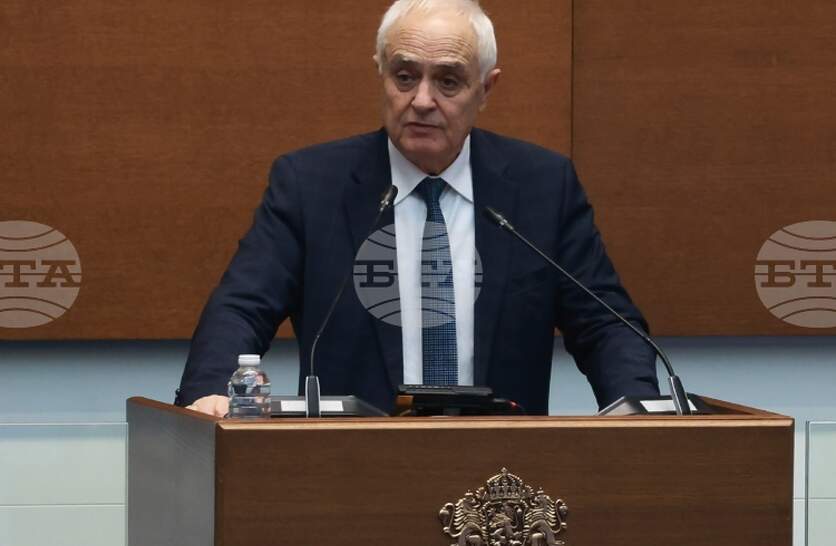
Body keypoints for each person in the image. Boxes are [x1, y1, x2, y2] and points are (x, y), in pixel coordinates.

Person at [176, 0, 660, 416]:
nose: (422, 100)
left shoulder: (542, 187)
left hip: (504, 473)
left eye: (448, 81)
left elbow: (605, 325)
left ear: (486, 89)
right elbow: (242, 308)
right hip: (350, 467)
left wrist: (639, 413)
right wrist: (209, 392)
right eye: (405, 77)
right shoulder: (311, 185)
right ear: (381, 73)